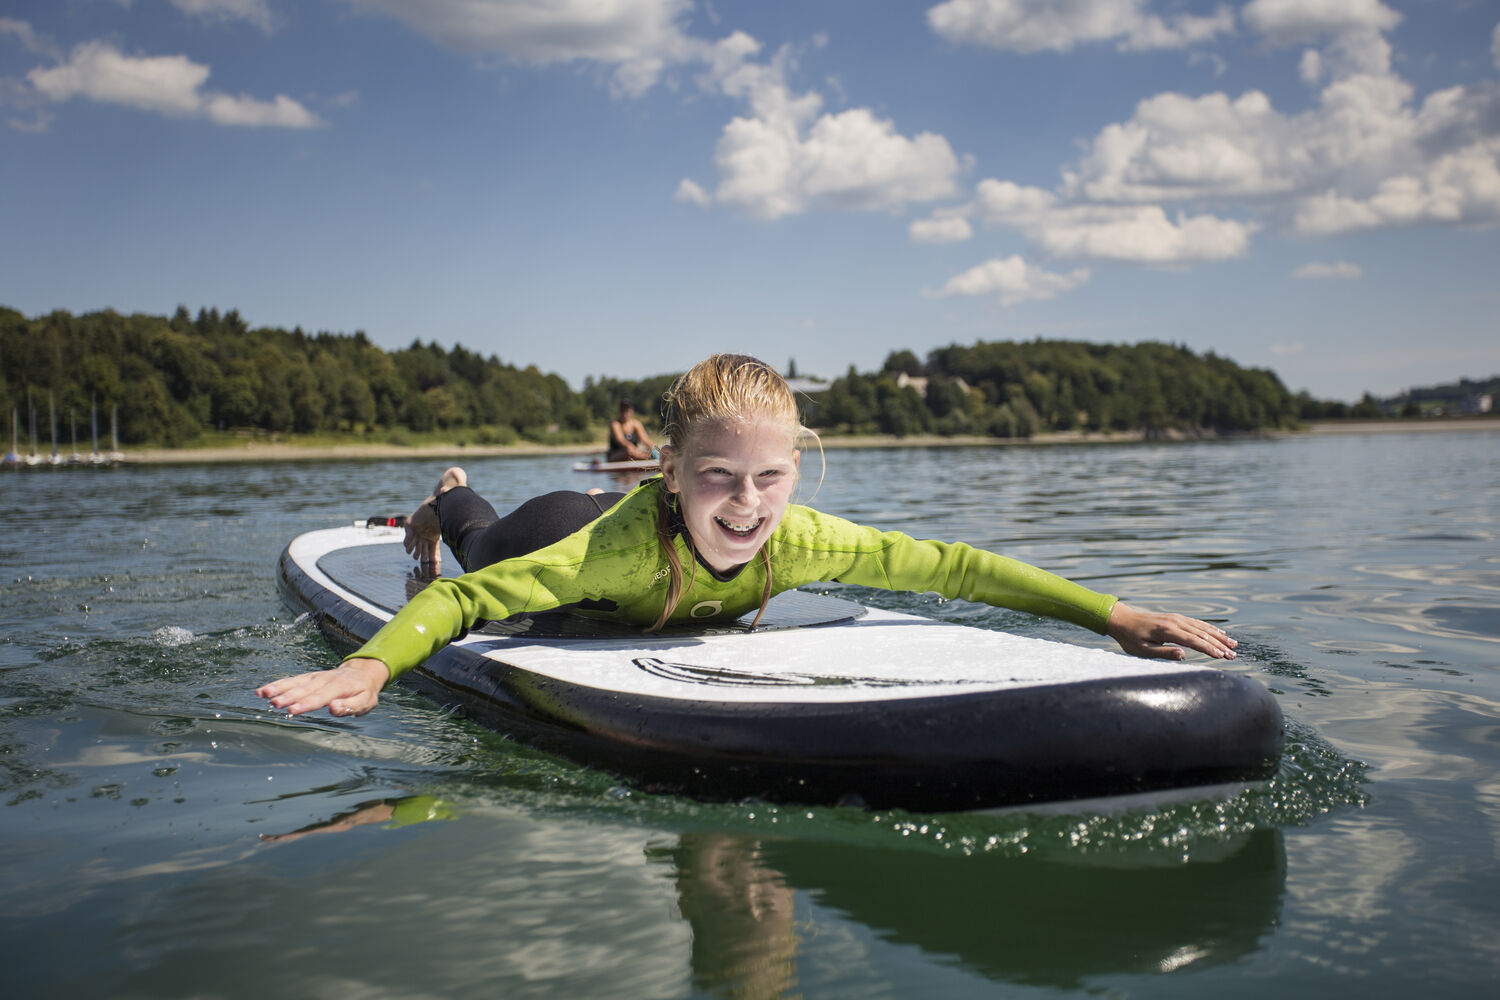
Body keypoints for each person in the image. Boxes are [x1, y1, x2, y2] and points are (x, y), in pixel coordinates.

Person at [258, 354, 1236, 719]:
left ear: (798, 472)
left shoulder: (799, 537)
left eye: (770, 477)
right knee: (480, 542)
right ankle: (445, 492)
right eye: (718, 477)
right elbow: (462, 602)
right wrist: (376, 669)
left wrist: (1111, 614)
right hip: (556, 536)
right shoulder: (616, 549)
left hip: (620, 552)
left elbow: (953, 567)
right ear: (671, 472)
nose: (745, 502)